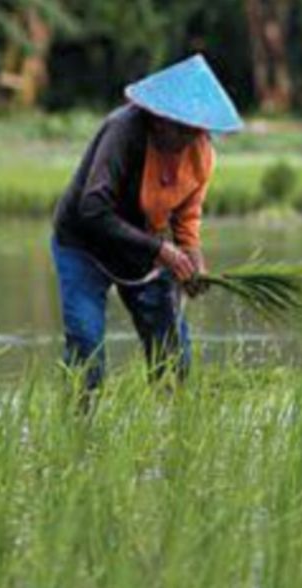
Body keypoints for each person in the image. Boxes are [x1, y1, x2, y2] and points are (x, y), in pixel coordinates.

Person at [51, 55, 243, 391]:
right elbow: (93, 209)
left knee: (173, 356)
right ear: (157, 118)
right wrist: (162, 250)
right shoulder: (123, 132)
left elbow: (187, 215)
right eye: (179, 127)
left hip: (140, 251)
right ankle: (76, 429)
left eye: (194, 130)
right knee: (86, 346)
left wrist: (192, 258)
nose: (185, 139)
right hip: (85, 245)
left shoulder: (200, 153)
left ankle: (168, 430)